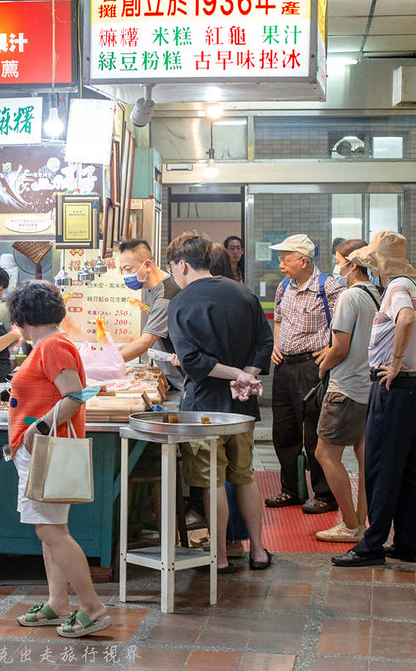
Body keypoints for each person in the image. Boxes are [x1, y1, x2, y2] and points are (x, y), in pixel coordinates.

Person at [332, 231, 416, 567]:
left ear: (379, 263)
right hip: (415, 390)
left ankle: (372, 545)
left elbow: (407, 319)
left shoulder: (397, 287)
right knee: (412, 468)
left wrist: (397, 362)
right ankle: (410, 543)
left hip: (394, 389)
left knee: (381, 466)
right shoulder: (414, 288)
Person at [8, 280, 112, 637]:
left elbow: (74, 397)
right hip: (38, 449)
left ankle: (93, 608)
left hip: (45, 450)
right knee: (51, 531)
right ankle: (57, 603)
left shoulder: (52, 345)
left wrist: (38, 429)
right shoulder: (50, 344)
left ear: (22, 318)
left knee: (50, 530)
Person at [166, 233, 274, 573]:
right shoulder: (243, 293)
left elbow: (193, 360)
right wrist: (246, 375)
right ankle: (258, 550)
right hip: (240, 409)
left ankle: (221, 557)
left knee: (213, 482)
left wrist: (235, 376)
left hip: (204, 409)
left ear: (182, 264)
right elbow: (264, 341)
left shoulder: (181, 302)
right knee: (244, 477)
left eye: (172, 269)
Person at [267, 234, 345, 515]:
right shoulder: (284, 286)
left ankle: (325, 494)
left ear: (303, 261)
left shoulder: (328, 288)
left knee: (315, 433)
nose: (281, 265)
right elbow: (278, 320)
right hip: (284, 367)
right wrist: (276, 346)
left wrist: (329, 354)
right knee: (284, 432)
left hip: (313, 368)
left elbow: (344, 328)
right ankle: (291, 490)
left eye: (285, 259)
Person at [314, 239, 381, 543]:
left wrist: (324, 364)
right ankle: (361, 522)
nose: (336, 266)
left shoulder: (350, 296)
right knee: (364, 456)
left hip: (346, 388)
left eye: (339, 260)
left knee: (325, 453)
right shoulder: (379, 294)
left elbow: (340, 348)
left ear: (353, 264)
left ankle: (350, 524)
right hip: (371, 388)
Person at [116, 238, 181, 389]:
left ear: (147, 265)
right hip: (168, 373)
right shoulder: (148, 287)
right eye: (122, 269)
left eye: (128, 269)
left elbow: (146, 341)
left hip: (181, 377)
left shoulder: (166, 294)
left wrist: (110, 361)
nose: (125, 274)